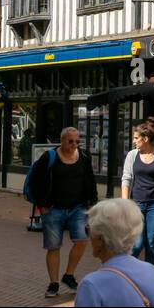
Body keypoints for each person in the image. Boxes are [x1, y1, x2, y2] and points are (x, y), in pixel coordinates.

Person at [26, 127, 98, 298]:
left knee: (81, 241)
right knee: (53, 247)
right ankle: (53, 283)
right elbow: (35, 180)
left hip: (78, 208)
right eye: (70, 141)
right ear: (62, 140)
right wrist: (41, 205)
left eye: (77, 141)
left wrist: (92, 203)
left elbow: (90, 179)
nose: (74, 144)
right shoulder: (49, 157)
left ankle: (69, 275)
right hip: (53, 209)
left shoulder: (84, 156)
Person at [74, 199, 154, 308]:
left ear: (100, 239)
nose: (89, 238)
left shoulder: (90, 285)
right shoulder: (153, 271)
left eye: (88, 230)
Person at [119, 123, 154, 266]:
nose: (134, 141)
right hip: (136, 204)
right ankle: (130, 271)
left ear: (146, 138)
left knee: (150, 241)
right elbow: (126, 179)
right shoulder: (132, 155)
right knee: (137, 243)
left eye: (136, 138)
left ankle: (150, 273)